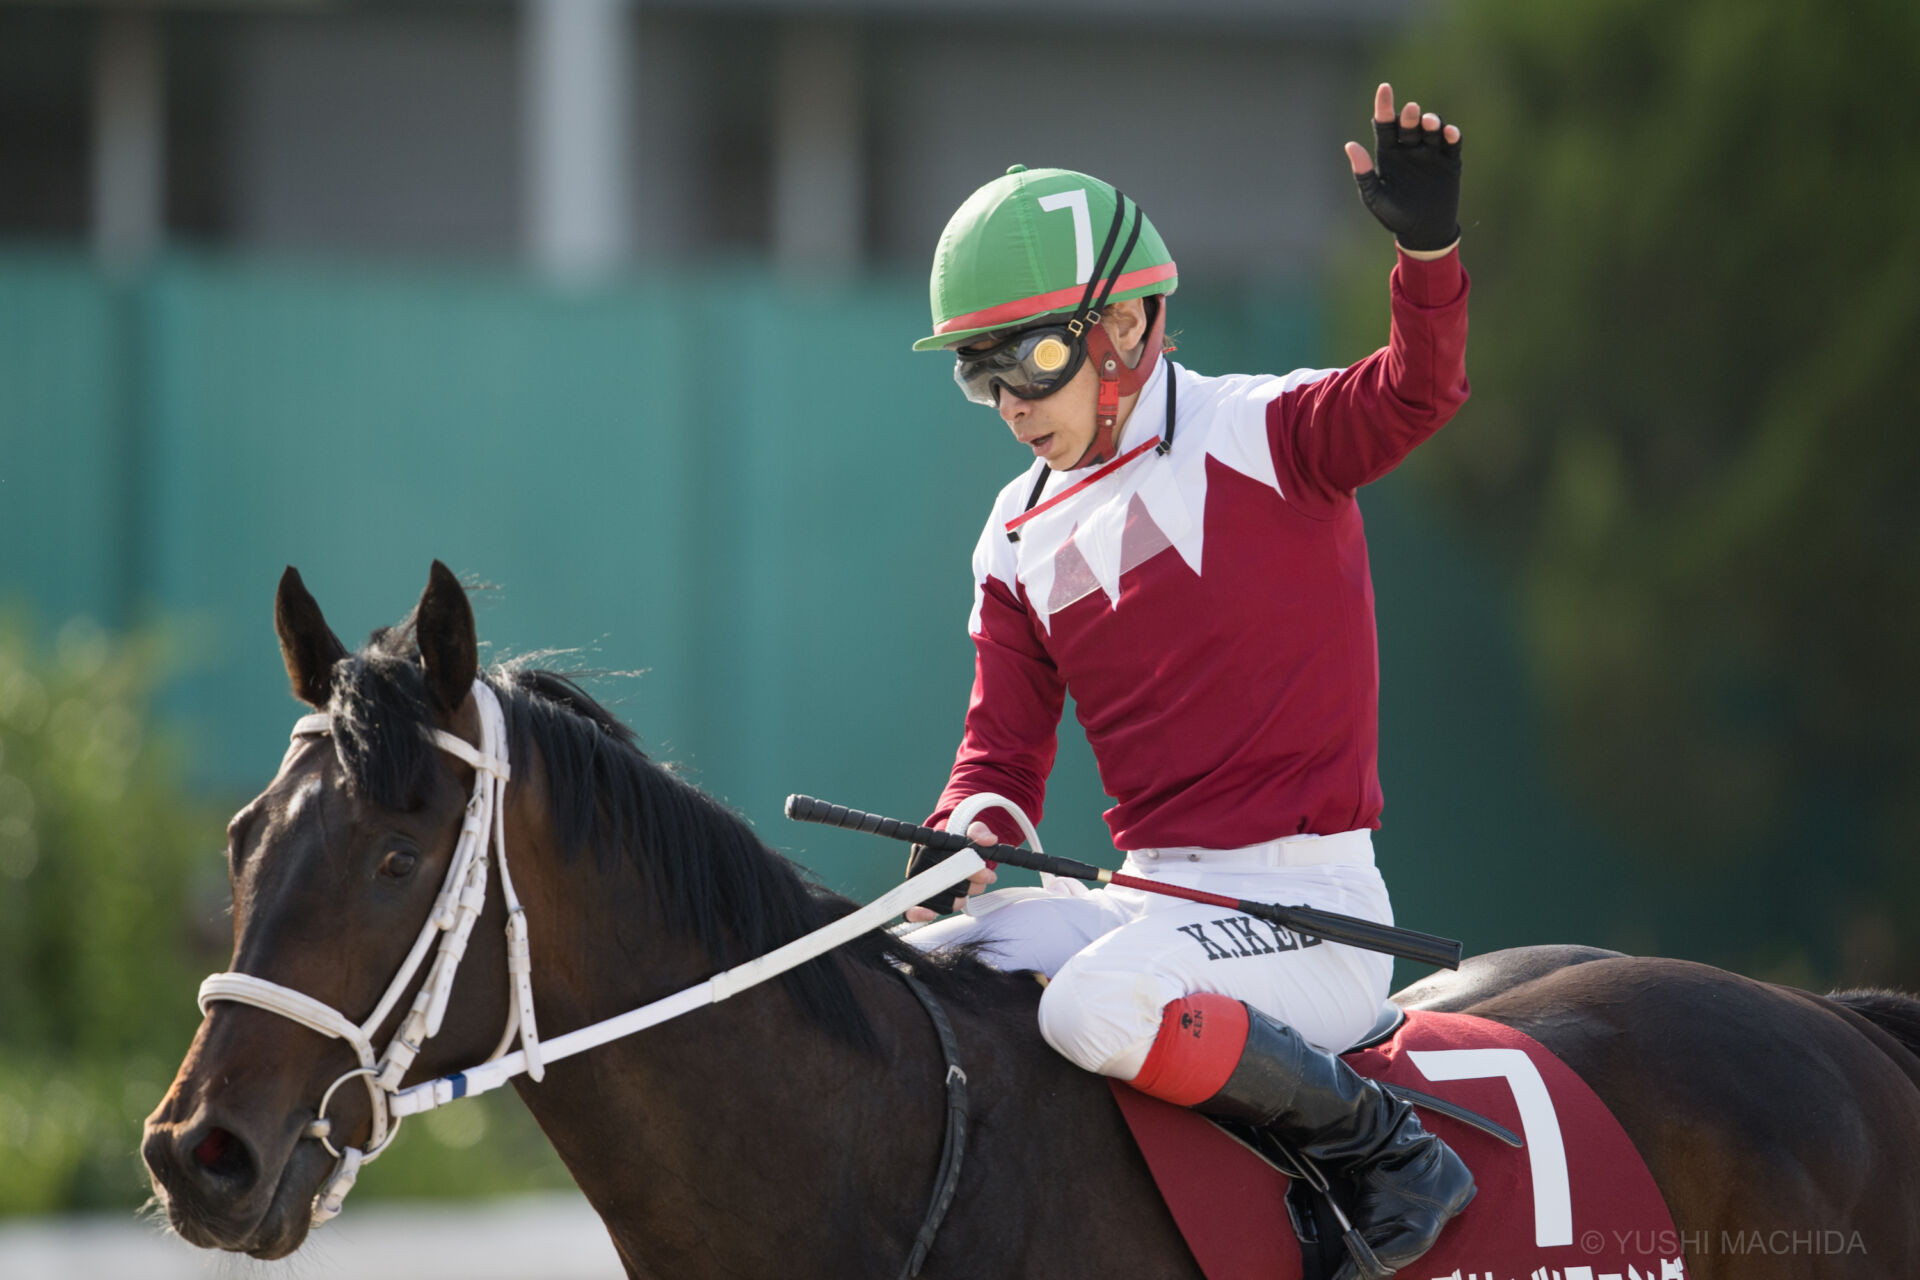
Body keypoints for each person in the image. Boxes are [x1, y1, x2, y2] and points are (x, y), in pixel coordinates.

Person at [900, 84, 1476, 1277]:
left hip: (1308, 915)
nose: (1011, 404)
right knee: (928, 964)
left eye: (1030, 360)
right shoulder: (1011, 533)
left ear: (1122, 327)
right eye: (980, 375)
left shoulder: (1267, 432)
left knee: (1088, 1011)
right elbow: (1002, 760)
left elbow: (1417, 392)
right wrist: (963, 835)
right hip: (1148, 902)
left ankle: (1389, 1150)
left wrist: (1427, 251)